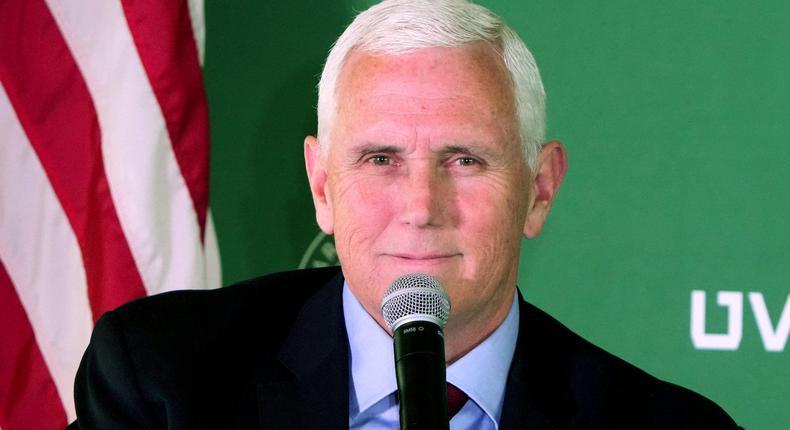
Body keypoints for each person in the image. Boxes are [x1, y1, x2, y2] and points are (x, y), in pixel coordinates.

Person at [69, 1, 742, 428]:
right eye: (379, 159)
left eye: (465, 160)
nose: (421, 207)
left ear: (540, 189)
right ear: (322, 187)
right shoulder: (162, 383)